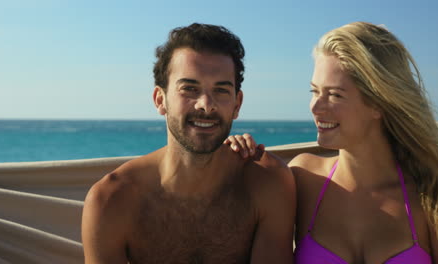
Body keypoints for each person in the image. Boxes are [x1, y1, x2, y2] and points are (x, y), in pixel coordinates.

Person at [226, 22, 438, 263]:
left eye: (334, 95)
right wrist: (233, 157)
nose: (315, 106)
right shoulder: (303, 177)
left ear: (379, 103)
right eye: (314, 91)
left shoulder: (434, 199)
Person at [81, 23, 296, 264]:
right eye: (190, 88)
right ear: (160, 99)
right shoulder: (112, 200)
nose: (206, 104)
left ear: (237, 104)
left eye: (221, 90)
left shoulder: (266, 182)